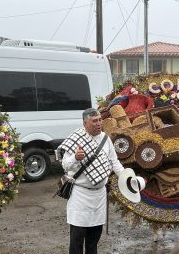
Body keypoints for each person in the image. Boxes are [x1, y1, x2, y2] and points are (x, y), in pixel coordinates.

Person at [57, 108, 125, 254]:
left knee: (94, 239)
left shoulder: (106, 139)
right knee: (77, 239)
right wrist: (75, 158)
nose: (99, 123)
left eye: (100, 119)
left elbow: (115, 162)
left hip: (99, 196)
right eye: (95, 121)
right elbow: (65, 165)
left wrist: (127, 178)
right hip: (80, 196)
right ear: (85, 123)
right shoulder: (76, 139)